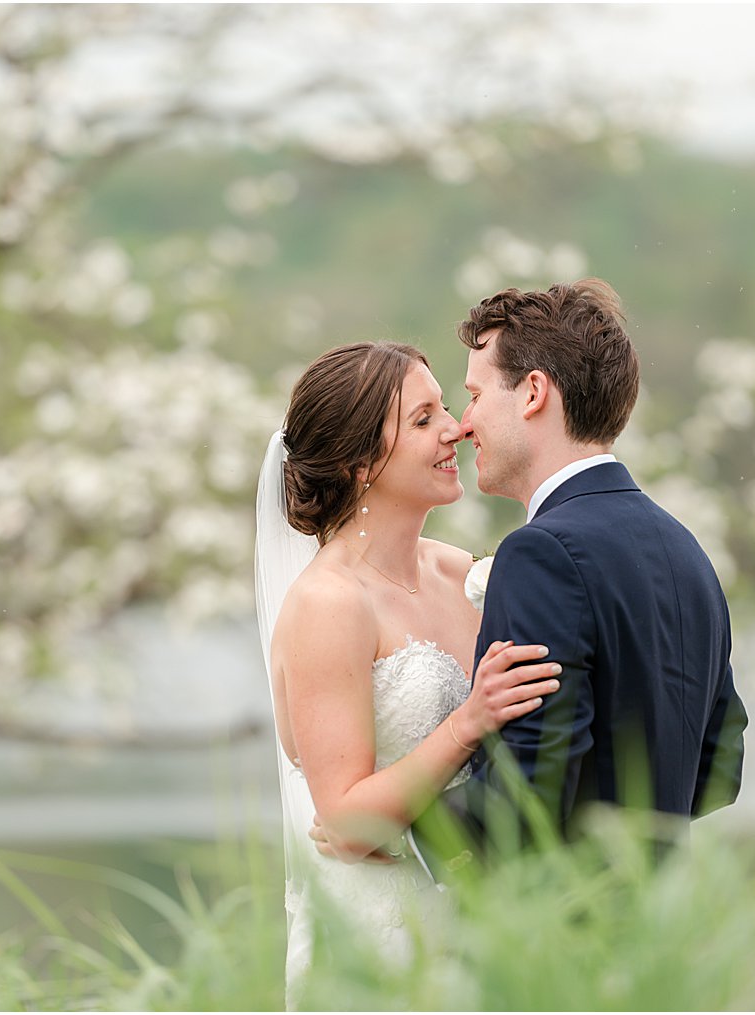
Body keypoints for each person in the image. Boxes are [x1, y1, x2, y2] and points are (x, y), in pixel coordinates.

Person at [254, 341, 561, 1005]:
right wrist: (468, 720)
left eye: (446, 408)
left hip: (480, 919)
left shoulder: (460, 571)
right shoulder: (329, 603)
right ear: (358, 462)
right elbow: (347, 821)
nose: (455, 428)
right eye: (423, 420)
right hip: (378, 931)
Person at [412, 279, 748, 872]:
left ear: (533, 392)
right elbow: (719, 768)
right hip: (657, 931)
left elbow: (525, 802)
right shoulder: (687, 552)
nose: (463, 425)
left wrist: (400, 827)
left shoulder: (540, 553)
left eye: (475, 395)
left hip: (559, 937)